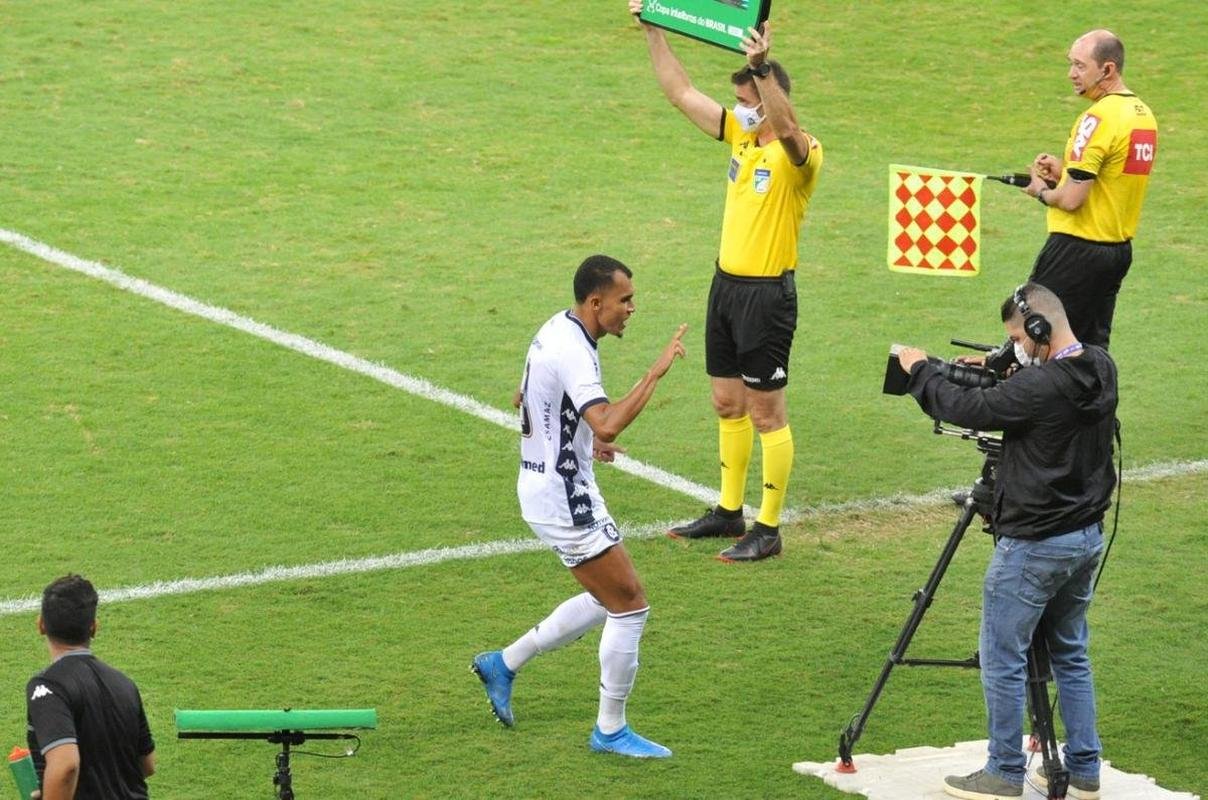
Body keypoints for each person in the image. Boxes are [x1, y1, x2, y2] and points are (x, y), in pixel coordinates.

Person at [896, 283, 1115, 800]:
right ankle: (1085, 769)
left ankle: (1003, 771)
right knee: (1070, 652)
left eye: (1018, 336)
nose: (1013, 346)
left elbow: (967, 408)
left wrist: (920, 372)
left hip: (1034, 544)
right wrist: (1005, 370)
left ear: (1039, 329)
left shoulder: (1038, 390)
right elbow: (1039, 390)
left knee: (1002, 656)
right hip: (1084, 539)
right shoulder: (1101, 366)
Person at [629, 0, 823, 561]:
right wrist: (653, 31)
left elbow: (785, 128)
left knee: (766, 412)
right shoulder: (740, 135)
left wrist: (762, 68)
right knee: (725, 402)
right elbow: (679, 93)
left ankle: (769, 527)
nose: (738, 111)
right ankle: (729, 510)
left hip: (767, 296)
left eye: (748, 104)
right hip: (726, 289)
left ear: (769, 100)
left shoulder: (801, 154)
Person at [472, 254, 686, 758]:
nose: (632, 309)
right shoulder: (574, 349)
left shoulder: (556, 329)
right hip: (565, 498)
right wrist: (653, 375)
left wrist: (583, 442)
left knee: (604, 597)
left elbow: (524, 397)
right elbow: (607, 421)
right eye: (625, 300)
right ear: (596, 302)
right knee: (630, 605)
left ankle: (503, 663)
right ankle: (609, 730)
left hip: (547, 486)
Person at [1022, 29, 1157, 350]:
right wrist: (1065, 170)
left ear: (1107, 70)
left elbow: (1070, 201)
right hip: (1117, 252)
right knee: (1090, 352)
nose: (1071, 74)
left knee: (1034, 343)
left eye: (1080, 66)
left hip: (1075, 251)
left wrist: (1041, 191)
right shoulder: (1143, 116)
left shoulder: (1097, 118)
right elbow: (1112, 180)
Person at [25, 575, 156, 800]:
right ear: (94, 628)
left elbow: (66, 766)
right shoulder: (124, 684)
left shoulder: (48, 687)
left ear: (41, 625)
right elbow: (147, 764)